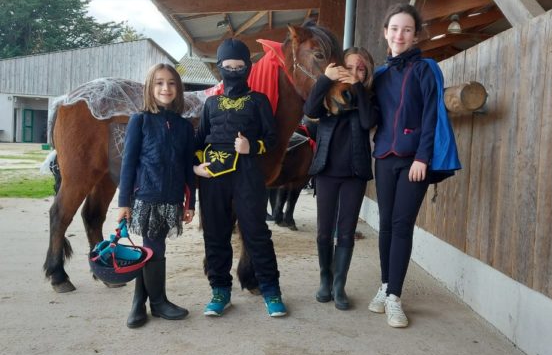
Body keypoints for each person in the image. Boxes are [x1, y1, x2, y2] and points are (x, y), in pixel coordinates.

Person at [368, 3, 460, 328]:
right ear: (385, 33)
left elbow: (432, 114)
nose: (400, 35)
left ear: (415, 34)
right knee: (386, 225)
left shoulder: (426, 68)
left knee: (402, 224)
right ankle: (384, 286)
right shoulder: (378, 74)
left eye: (407, 29)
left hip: (413, 161)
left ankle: (395, 297)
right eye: (394, 28)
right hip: (383, 157)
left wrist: (423, 156)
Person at [194, 38, 287, 318]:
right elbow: (198, 142)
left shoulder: (259, 101)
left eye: (239, 66)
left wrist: (252, 147)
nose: (233, 71)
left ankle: (271, 291)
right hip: (213, 178)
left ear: (248, 67)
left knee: (257, 234)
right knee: (215, 234)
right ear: (219, 67)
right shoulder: (210, 103)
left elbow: (272, 139)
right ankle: (220, 291)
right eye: (227, 66)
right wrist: (197, 167)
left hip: (247, 174)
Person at [117, 63, 196, 328]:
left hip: (172, 198)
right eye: (159, 83)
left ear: (178, 88)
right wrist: (123, 202)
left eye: (171, 83)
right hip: (147, 196)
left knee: (152, 248)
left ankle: (139, 302)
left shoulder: (184, 127)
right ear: (151, 88)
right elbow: (128, 163)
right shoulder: (140, 120)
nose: (166, 88)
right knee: (154, 247)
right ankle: (158, 303)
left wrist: (190, 203)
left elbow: (188, 168)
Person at [303, 47, 378, 310]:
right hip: (326, 171)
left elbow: (369, 121)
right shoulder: (327, 95)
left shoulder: (367, 98)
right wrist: (325, 79)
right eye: (351, 67)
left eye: (361, 68)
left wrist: (358, 87)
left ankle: (339, 285)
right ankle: (325, 279)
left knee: (345, 233)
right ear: (340, 68)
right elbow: (309, 110)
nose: (356, 72)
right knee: (324, 232)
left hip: (354, 175)